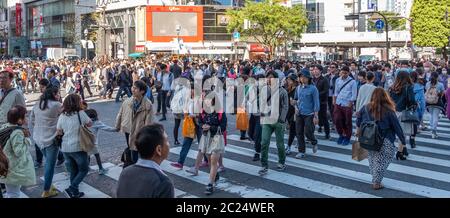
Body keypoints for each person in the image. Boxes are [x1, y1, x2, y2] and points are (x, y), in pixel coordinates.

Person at [356, 88, 405, 190]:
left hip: (368, 138)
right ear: (385, 96)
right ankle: (376, 182)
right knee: (384, 159)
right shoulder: (389, 110)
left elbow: (358, 121)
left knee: (372, 157)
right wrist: (403, 141)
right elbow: (397, 126)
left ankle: (375, 177)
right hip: (384, 138)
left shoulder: (365, 107)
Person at [116, 124, 174, 198]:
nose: (169, 144)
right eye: (167, 141)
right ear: (159, 150)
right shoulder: (163, 183)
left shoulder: (125, 172)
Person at [186, 94, 226, 195]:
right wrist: (202, 125)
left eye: (209, 100)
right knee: (208, 159)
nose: (206, 101)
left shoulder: (220, 112)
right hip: (206, 137)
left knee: (213, 161)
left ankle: (210, 185)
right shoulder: (203, 111)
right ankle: (215, 174)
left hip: (216, 137)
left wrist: (210, 127)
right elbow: (200, 121)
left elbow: (223, 127)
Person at [56, 94, 93, 198]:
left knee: (73, 171)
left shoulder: (62, 115)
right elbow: (90, 124)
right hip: (78, 147)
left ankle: (75, 193)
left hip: (65, 148)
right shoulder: (80, 113)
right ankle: (72, 188)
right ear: (77, 102)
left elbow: (58, 131)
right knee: (84, 169)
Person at [29, 87, 61, 198]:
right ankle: (46, 190)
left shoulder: (37, 103)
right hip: (51, 138)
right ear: (53, 94)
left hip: (38, 138)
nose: (59, 95)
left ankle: (49, 185)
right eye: (58, 93)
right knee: (49, 165)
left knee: (48, 161)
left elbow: (31, 119)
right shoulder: (56, 105)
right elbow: (64, 118)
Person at [0, 105, 36, 198]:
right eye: (25, 116)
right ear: (20, 120)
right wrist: (26, 139)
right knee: (14, 193)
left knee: (12, 191)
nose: (27, 118)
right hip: (13, 168)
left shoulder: (4, 127)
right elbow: (18, 152)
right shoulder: (17, 132)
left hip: (6, 165)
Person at [258, 71, 288, 176]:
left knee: (280, 144)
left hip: (278, 121)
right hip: (267, 120)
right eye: (267, 78)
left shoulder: (282, 91)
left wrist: (281, 119)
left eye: (271, 78)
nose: (268, 80)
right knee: (264, 142)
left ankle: (281, 162)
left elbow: (285, 106)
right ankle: (264, 165)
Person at [116, 80, 153, 164]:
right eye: (133, 87)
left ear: (142, 91)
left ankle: (136, 164)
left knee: (137, 149)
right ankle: (133, 164)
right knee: (131, 147)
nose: (132, 89)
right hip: (128, 128)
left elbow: (149, 121)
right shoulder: (127, 101)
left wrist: (146, 133)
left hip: (139, 130)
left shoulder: (148, 104)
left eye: (135, 88)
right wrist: (117, 126)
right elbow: (120, 114)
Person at [389, 71, 416, 160]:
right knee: (402, 134)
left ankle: (403, 149)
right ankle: (399, 152)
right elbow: (411, 100)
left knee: (394, 132)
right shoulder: (408, 87)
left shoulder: (392, 87)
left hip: (392, 112)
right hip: (403, 112)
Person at [293, 70, 320, 158]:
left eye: (304, 77)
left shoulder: (313, 89)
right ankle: (301, 151)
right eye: (300, 77)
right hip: (299, 113)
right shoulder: (298, 88)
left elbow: (316, 103)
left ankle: (314, 142)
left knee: (308, 131)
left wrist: (316, 116)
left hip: (310, 113)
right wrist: (295, 107)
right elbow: (296, 100)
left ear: (309, 78)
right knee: (299, 132)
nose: (302, 79)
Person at [85, 109, 118, 175]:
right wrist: (116, 129)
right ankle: (101, 169)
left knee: (87, 155)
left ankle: (86, 168)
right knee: (97, 155)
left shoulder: (85, 122)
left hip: (85, 141)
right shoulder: (96, 122)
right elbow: (106, 128)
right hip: (93, 142)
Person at [333, 66, 357, 146]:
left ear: (349, 73)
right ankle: (341, 134)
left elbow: (354, 95)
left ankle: (347, 136)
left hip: (347, 104)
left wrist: (350, 104)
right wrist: (335, 101)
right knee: (337, 120)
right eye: (342, 73)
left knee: (347, 121)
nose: (343, 74)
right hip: (338, 103)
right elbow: (336, 91)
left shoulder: (352, 82)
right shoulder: (337, 80)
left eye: (345, 73)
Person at [425, 72, 445, 139]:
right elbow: (442, 94)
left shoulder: (427, 84)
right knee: (435, 116)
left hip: (428, 102)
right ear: (437, 77)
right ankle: (434, 131)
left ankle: (431, 129)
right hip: (437, 102)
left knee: (431, 115)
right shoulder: (440, 84)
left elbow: (426, 91)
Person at [312, 65, 330, 139]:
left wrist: (317, 94)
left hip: (322, 101)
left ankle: (327, 133)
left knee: (324, 117)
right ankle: (311, 133)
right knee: (312, 117)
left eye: (316, 69)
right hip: (313, 101)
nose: (315, 71)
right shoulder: (312, 79)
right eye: (314, 69)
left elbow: (326, 90)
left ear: (320, 70)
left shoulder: (324, 79)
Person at [285, 73, 299, 155]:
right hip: (288, 111)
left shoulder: (298, 89)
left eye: (289, 80)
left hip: (295, 111)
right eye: (287, 79)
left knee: (292, 129)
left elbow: (299, 100)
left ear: (294, 81)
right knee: (294, 129)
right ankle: (300, 140)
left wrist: (294, 102)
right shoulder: (287, 88)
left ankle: (288, 146)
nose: (288, 81)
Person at [410, 71, 426, 147]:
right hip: (417, 108)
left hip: (407, 108)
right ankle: (412, 139)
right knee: (415, 125)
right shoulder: (420, 86)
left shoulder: (407, 86)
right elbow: (422, 101)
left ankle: (402, 145)